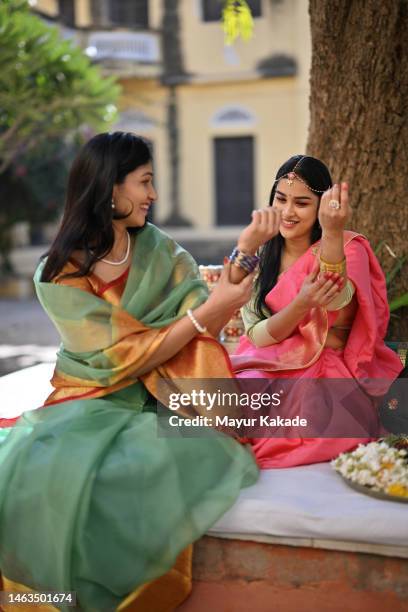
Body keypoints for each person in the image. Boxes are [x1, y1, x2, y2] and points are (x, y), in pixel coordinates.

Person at [0, 132, 283, 612]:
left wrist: (244, 252)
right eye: (144, 182)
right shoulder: (57, 272)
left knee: (165, 456)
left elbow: (206, 312)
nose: (153, 195)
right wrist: (201, 315)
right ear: (111, 187)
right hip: (90, 398)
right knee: (48, 474)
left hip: (162, 393)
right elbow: (120, 358)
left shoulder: (160, 250)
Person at [229, 155, 403, 468]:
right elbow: (258, 335)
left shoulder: (348, 246)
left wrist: (332, 233)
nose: (287, 212)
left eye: (302, 203)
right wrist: (300, 304)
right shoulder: (265, 254)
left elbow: (336, 299)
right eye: (281, 199)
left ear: (322, 207)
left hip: (328, 369)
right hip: (270, 361)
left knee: (307, 414)